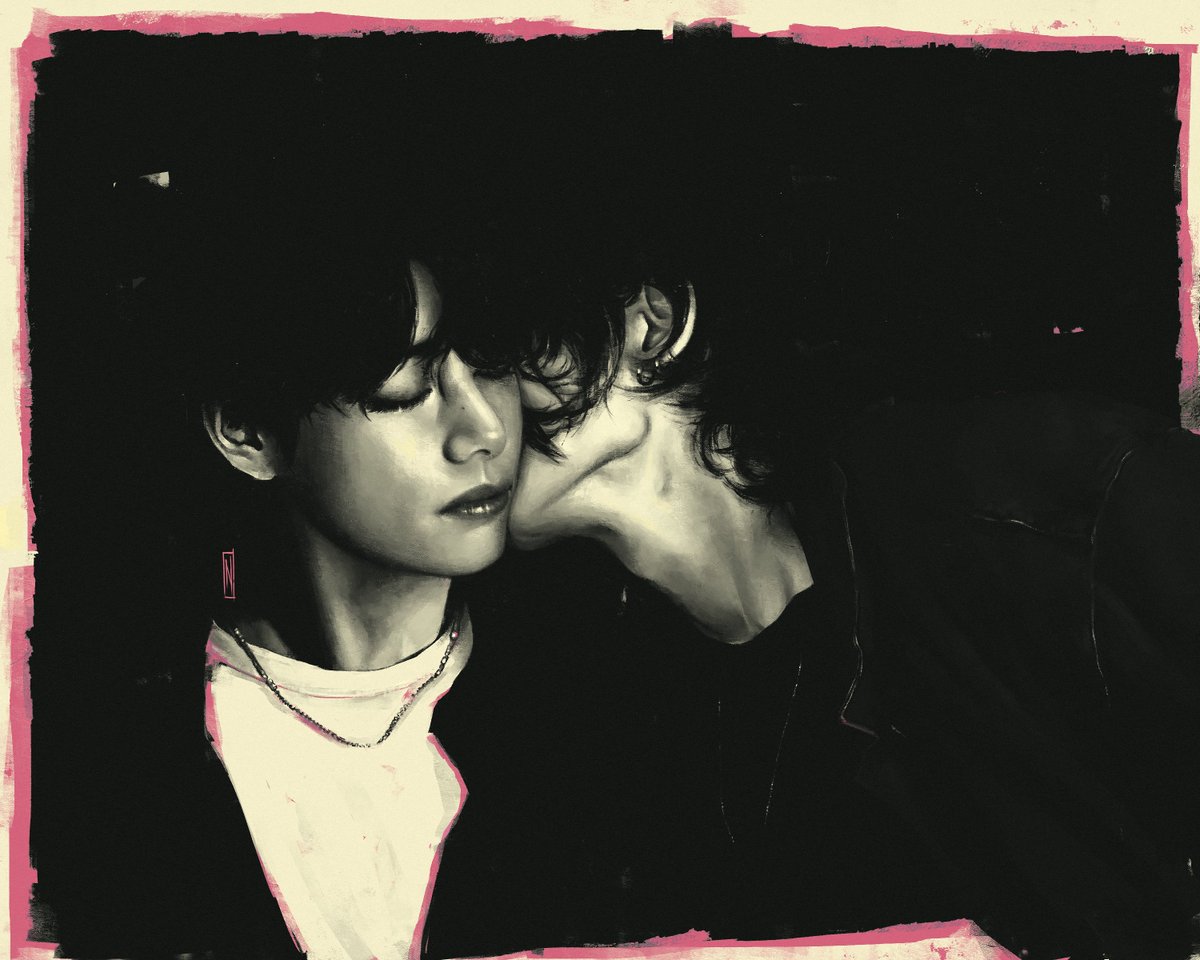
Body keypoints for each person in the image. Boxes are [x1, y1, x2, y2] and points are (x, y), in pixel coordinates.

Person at [489, 250, 1200, 959]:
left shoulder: (1025, 502)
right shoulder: (603, 714)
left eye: (490, 358)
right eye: (435, 384)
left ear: (651, 325)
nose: (466, 418)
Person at [38, 206, 524, 960]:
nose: (484, 431)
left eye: (491, 364)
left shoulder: (589, 700)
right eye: (404, 388)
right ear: (248, 433)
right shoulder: (123, 759)